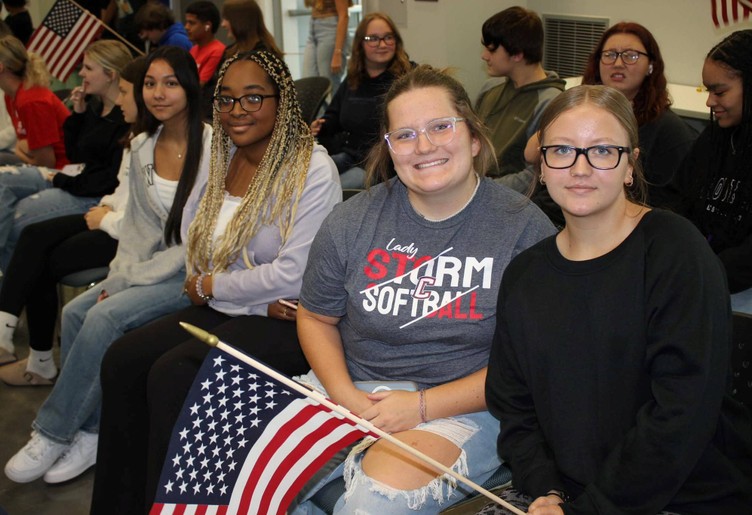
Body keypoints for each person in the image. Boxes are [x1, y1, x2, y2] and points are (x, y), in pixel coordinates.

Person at [292, 64, 554, 514]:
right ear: (390, 149)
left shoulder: (524, 230)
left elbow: (534, 364)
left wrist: (421, 406)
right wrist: (346, 396)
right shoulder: (352, 220)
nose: (425, 146)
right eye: (406, 135)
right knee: (254, 478)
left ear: (473, 137)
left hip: (465, 404)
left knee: (375, 502)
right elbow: (316, 315)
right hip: (354, 390)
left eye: (440, 126)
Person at [89, 49, 340, 514]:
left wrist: (212, 287)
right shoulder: (219, 157)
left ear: (282, 101)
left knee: (173, 375)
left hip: (286, 325)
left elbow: (293, 274)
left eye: (252, 98)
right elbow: (194, 242)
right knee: (123, 359)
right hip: (244, 308)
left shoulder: (312, 168)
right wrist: (237, 295)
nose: (236, 111)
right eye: (226, 100)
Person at [483, 84, 752, 515]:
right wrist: (546, 490)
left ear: (631, 165)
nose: (580, 168)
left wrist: (588, 509)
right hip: (563, 494)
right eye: (562, 150)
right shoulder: (525, 274)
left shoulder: (674, 251)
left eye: (603, 151)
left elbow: (681, 413)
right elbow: (514, 408)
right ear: (544, 167)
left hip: (682, 496)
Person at [4, 45, 212, 485]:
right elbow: (136, 228)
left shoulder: (214, 148)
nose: (158, 93)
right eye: (151, 83)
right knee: (76, 311)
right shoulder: (140, 146)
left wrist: (127, 283)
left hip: (194, 272)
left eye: (170, 83)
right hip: (149, 267)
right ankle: (92, 432)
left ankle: (53, 430)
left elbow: (200, 242)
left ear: (190, 88)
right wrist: (119, 276)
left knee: (103, 316)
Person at [0, 56, 148, 384]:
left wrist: (104, 213)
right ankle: (11, 333)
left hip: (109, 217)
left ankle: (33, 355)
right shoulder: (120, 126)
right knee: (31, 235)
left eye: (126, 92)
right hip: (102, 207)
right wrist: (79, 116)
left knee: (26, 231)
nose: (80, 75)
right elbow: (93, 168)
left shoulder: (136, 134)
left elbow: (107, 187)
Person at [0, 40, 131, 275]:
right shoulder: (94, 107)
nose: (81, 73)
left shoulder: (125, 119)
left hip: (91, 194)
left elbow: (104, 180)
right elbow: (76, 155)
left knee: (17, 222)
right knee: (5, 192)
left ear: (110, 75)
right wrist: (78, 115)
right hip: (75, 181)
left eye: (88, 68)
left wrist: (59, 180)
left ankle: (13, 294)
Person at [672, 30, 752, 315]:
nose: (709, 102)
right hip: (699, 274)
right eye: (708, 91)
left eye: (719, 92)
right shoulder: (714, 139)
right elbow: (679, 200)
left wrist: (701, 271)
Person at [311, 12, 413, 189]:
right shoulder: (354, 79)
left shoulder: (407, 79)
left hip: (380, 166)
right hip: (350, 155)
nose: (382, 44)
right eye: (373, 38)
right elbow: (333, 117)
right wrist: (321, 125)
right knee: (307, 176)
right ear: (360, 44)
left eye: (388, 37)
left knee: (329, 189)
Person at [475, 6, 565, 181]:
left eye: (492, 49)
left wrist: (481, 191)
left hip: (504, 196)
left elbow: (534, 175)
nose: (484, 56)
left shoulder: (549, 102)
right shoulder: (489, 88)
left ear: (517, 54)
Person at [0, 35, 69, 169]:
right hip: (42, 167)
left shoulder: (31, 101)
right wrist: (21, 149)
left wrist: (20, 152)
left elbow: (47, 163)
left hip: (63, 171)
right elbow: (23, 144)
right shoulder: (11, 96)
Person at [302, 0, 350, 90]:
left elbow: (344, 16)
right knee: (309, 81)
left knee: (328, 84)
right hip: (313, 26)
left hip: (330, 29)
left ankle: (333, 104)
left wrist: (337, 52)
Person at [184, 1, 225, 87]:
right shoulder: (194, 49)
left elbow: (200, 85)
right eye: (186, 22)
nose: (186, 27)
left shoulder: (217, 51)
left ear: (207, 26)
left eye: (192, 23)